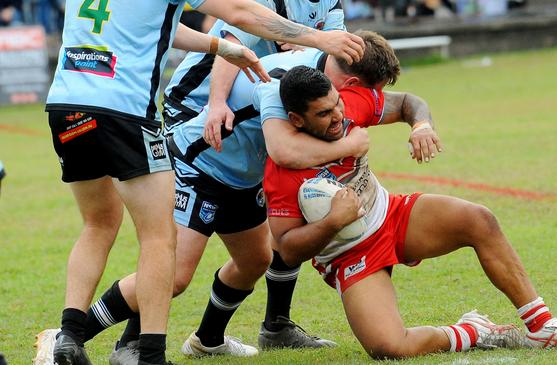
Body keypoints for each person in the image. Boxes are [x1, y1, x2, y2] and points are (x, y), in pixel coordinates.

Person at [36, 0, 364, 364]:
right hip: (128, 111)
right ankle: (146, 355)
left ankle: (67, 338)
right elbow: (241, 13)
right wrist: (321, 39)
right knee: (161, 243)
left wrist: (221, 47)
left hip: (66, 105)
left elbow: (154, 27)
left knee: (99, 224)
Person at [73, 31, 422, 364]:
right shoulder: (280, 83)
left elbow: (402, 103)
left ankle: (207, 341)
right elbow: (283, 150)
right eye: (368, 91)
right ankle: (70, 337)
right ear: (351, 84)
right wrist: (350, 145)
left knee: (255, 259)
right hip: (198, 165)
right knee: (175, 275)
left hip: (239, 179)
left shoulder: (324, 83)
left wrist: (421, 125)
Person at [262, 66, 557, 359]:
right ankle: (474, 331)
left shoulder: (349, 103)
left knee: (478, 220)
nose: (338, 116)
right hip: (350, 255)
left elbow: (408, 103)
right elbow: (288, 249)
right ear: (296, 120)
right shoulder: (282, 171)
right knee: (389, 348)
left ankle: (543, 328)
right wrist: (333, 222)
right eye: (324, 114)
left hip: (390, 214)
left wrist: (421, 125)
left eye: (337, 104)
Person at [163, 0, 346, 136]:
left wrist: (306, 46)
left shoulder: (330, 3)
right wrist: (217, 102)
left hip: (245, 104)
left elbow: (333, 57)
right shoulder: (268, 1)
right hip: (194, 101)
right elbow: (233, 48)